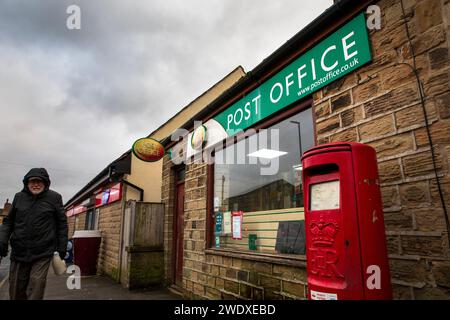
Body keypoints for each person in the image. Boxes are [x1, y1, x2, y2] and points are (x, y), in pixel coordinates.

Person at [0, 168, 68, 300]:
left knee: (36, 285)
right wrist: (2, 241)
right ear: (27, 183)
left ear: (45, 183)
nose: (36, 184)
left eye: (39, 181)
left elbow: (62, 224)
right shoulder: (19, 197)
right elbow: (8, 222)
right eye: (32, 181)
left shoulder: (54, 198)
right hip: (19, 251)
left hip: (42, 252)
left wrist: (62, 247)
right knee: (16, 290)